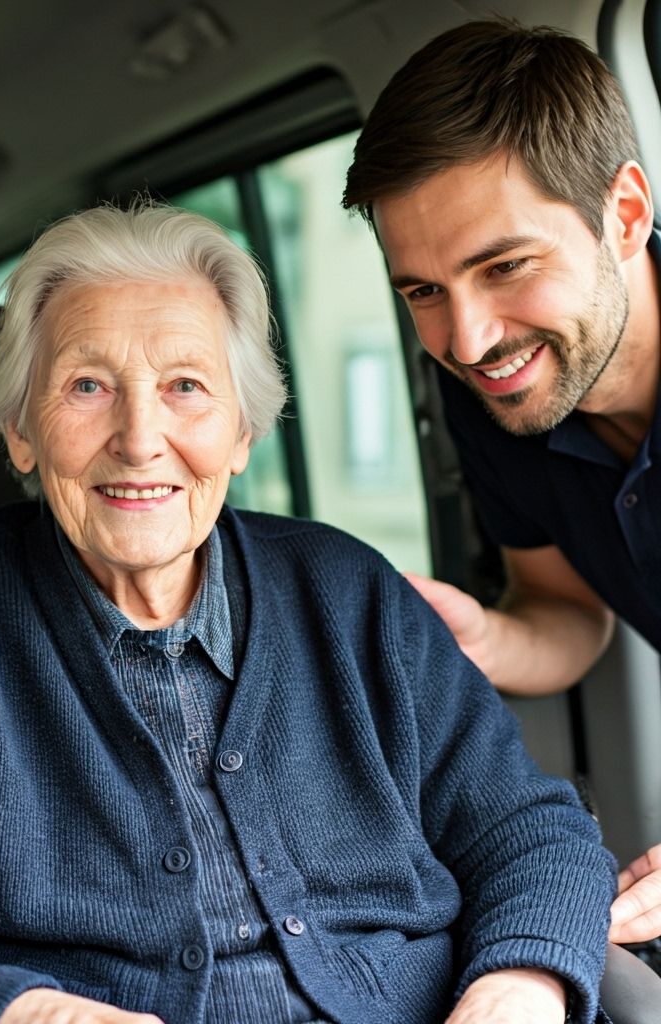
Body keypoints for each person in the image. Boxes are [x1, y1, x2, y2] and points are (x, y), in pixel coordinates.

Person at [0, 202, 615, 1024]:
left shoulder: (348, 589)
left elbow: (529, 829)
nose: (140, 439)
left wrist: (519, 984)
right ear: (22, 431)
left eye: (186, 385)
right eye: (88, 386)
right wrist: (25, 1011)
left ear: (242, 432)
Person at [342, 18, 661, 948]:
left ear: (625, 214)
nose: (469, 340)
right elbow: (567, 607)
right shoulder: (495, 396)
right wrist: (485, 641)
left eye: (505, 266)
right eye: (422, 291)